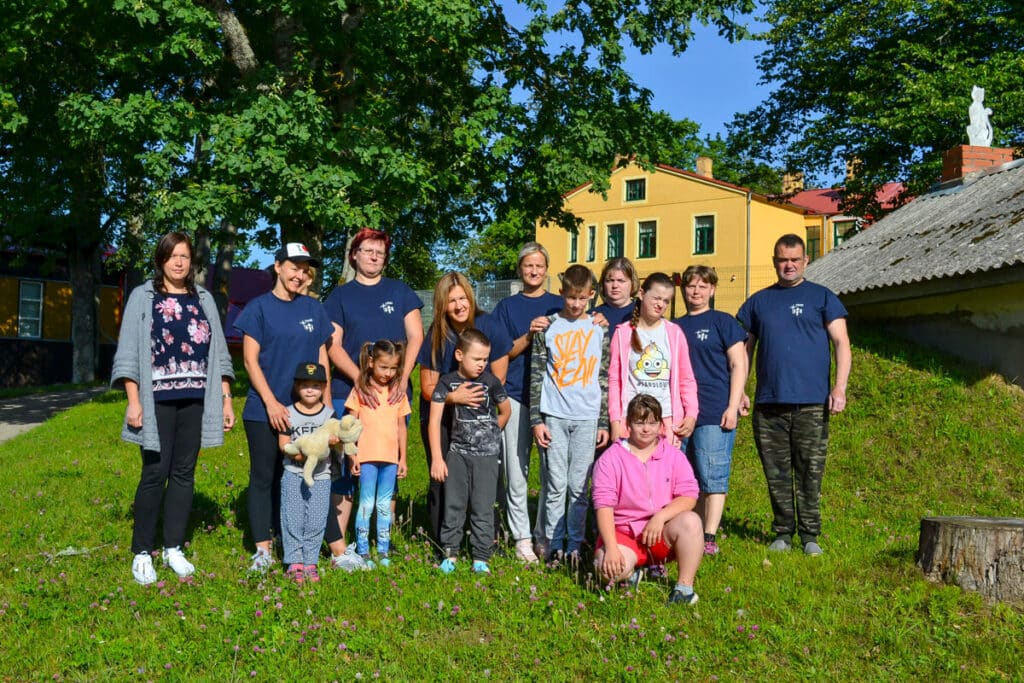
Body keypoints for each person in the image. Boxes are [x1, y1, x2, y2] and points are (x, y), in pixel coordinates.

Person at [112, 232, 235, 585]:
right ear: (161, 260)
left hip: (196, 399)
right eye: (172, 256)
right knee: (154, 472)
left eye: (184, 256)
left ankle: (173, 547)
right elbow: (128, 352)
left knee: (184, 473)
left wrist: (226, 398)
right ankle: (142, 551)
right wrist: (133, 401)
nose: (179, 262)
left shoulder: (204, 299)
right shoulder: (143, 297)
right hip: (156, 401)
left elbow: (219, 353)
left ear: (191, 261)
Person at [736, 234, 851, 556]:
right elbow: (744, 351)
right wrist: (740, 390)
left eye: (795, 259)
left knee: (810, 472)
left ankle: (810, 535)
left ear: (805, 261)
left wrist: (839, 387)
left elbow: (842, 343)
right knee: (776, 474)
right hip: (769, 404)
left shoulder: (822, 297)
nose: (789, 265)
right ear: (775, 261)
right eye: (783, 259)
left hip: (811, 403)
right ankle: (783, 533)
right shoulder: (758, 303)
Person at [323, 228, 423, 570]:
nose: (374, 256)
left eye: (380, 251)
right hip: (350, 394)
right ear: (354, 255)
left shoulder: (400, 292)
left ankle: (382, 543)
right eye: (368, 250)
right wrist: (360, 379)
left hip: (392, 396)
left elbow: (416, 336)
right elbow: (333, 345)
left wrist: (402, 378)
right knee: (346, 468)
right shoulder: (340, 296)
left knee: (386, 465)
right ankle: (341, 547)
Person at [235, 242, 334, 572]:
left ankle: (296, 542)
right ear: (277, 267)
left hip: (308, 411)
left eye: (305, 269)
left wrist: (327, 409)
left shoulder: (314, 309)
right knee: (264, 476)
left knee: (301, 477)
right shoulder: (258, 308)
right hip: (264, 408)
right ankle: (263, 550)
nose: (300, 274)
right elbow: (249, 361)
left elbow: (322, 358)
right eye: (294, 267)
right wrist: (272, 403)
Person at [418, 272, 511, 546]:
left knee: (486, 479)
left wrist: (488, 424)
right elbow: (427, 387)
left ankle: (487, 540)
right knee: (443, 476)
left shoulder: (489, 325)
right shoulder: (437, 334)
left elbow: (498, 378)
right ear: (442, 305)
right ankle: (444, 543)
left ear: (470, 297)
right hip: (443, 416)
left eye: (462, 298)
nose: (459, 305)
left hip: (479, 417)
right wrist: (454, 397)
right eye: (451, 301)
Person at [528, 264, 609, 565]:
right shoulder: (547, 326)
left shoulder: (600, 328)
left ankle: (574, 545)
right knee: (555, 485)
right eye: (571, 297)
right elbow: (536, 374)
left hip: (587, 417)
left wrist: (603, 421)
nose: (576, 304)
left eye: (582, 298)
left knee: (578, 487)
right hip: (555, 416)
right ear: (561, 293)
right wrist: (536, 419)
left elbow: (604, 376)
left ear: (591, 295)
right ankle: (553, 546)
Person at [592, 394, 704, 605]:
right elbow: (603, 505)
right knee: (606, 570)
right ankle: (631, 573)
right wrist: (611, 548)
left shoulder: (674, 455)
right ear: (628, 424)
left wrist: (660, 517)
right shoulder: (610, 459)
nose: (646, 429)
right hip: (624, 533)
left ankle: (684, 589)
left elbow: (689, 495)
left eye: (652, 423)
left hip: (661, 533)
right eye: (639, 423)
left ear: (661, 426)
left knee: (692, 521)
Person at [491, 242, 563, 562]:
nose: (534, 271)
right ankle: (521, 537)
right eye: (528, 266)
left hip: (554, 399)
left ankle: (545, 533)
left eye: (539, 266)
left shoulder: (559, 304)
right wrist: (529, 335)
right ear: (520, 269)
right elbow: (500, 353)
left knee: (552, 472)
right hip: (516, 394)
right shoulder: (507, 307)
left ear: (546, 269)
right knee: (516, 469)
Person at [673, 265, 748, 556]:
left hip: (714, 410)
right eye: (691, 286)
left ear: (713, 289)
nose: (696, 291)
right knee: (685, 478)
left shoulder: (723, 322)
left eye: (703, 286)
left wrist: (733, 403)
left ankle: (709, 536)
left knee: (712, 475)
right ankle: (688, 530)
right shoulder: (674, 326)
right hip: (680, 413)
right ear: (683, 290)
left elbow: (738, 364)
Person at [429, 329, 512, 575]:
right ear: (459, 355)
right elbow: (434, 421)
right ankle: (450, 554)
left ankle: (481, 557)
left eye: (485, 359)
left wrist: (491, 433)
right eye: (476, 358)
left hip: (487, 457)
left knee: (482, 507)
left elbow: (505, 411)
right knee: (453, 505)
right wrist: (437, 458)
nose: (481, 364)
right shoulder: (446, 383)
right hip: (457, 454)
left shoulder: (491, 383)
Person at [608, 272, 698, 446]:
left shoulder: (674, 333)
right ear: (642, 294)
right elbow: (614, 381)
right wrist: (615, 422)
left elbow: (686, 379)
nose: (660, 304)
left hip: (666, 420)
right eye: (656, 298)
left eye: (666, 301)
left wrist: (691, 414)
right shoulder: (622, 333)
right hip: (631, 420)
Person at [345, 340, 411, 568]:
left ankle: (383, 550)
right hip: (366, 458)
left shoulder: (398, 393)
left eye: (393, 368)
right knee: (366, 503)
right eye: (384, 367)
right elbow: (350, 425)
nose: (388, 373)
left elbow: (402, 427)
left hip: (390, 460)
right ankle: (363, 551)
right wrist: (352, 455)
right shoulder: (360, 391)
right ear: (371, 362)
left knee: (384, 505)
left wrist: (403, 458)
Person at [278, 362, 337, 584]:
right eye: (305, 385)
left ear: (324, 387)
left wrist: (334, 442)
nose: (310, 390)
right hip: (293, 473)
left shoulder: (329, 415)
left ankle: (310, 561)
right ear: (296, 387)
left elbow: (337, 440)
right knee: (292, 517)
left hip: (321, 476)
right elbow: (283, 443)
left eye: (316, 385)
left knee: (316, 519)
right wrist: (300, 456)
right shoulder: (288, 413)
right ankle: (294, 562)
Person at [592, 257, 640, 331]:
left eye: (621, 281)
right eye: (610, 280)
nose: (615, 286)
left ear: (632, 283)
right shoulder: (592, 316)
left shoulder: (643, 314)